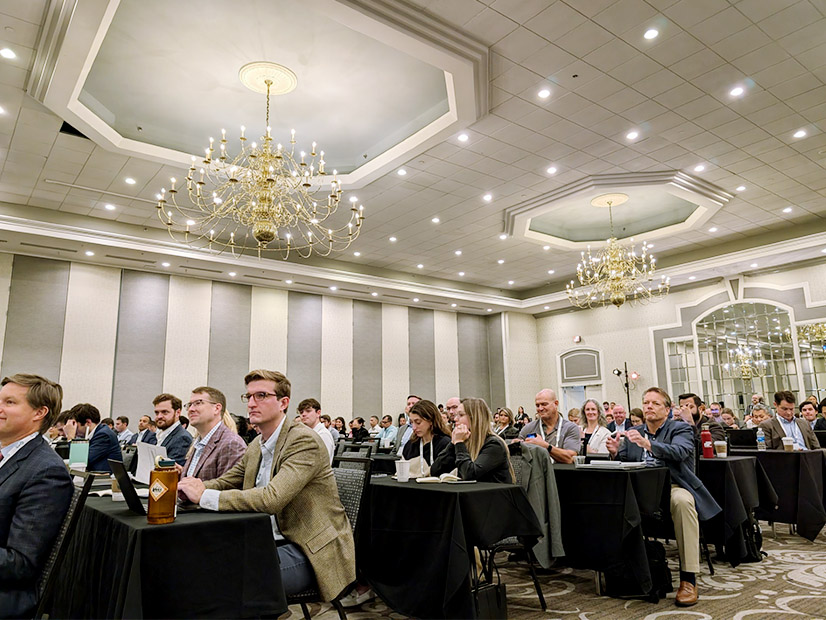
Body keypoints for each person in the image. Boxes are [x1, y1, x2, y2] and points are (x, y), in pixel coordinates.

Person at [178, 370, 355, 600]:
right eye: (249, 396)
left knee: (224, 579)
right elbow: (226, 481)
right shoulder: (256, 445)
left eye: (261, 395)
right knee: (198, 562)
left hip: (309, 550)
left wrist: (203, 496)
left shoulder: (303, 440)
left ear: (283, 403)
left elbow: (271, 499)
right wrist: (188, 489)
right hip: (268, 540)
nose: (251, 403)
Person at [607, 387, 721, 607]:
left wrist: (648, 444)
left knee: (683, 502)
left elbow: (679, 452)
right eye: (646, 402)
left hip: (671, 486)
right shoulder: (635, 431)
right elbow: (624, 459)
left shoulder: (680, 429)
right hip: (639, 490)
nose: (649, 406)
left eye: (655, 403)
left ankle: (688, 578)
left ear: (668, 409)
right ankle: (617, 568)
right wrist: (614, 452)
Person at [0, 374, 73, 618]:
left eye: (9, 402)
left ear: (39, 413)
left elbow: (20, 564)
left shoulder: (46, 471)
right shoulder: (7, 454)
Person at [432, 398, 514, 482]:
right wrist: (453, 443)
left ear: (474, 418)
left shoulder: (494, 444)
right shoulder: (465, 440)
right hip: (471, 493)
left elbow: (469, 475)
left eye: (461, 415)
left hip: (493, 494)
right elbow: (435, 470)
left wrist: (459, 443)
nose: (455, 419)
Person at [181, 386, 247, 481]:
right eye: (189, 405)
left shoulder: (231, 444)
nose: (191, 409)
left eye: (198, 403)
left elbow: (228, 491)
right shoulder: (199, 443)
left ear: (216, 408)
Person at [518, 389, 580, 464]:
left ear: (556, 404)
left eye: (544, 404)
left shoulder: (570, 428)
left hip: (561, 474)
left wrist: (545, 446)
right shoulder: (528, 428)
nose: (540, 408)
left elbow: (570, 458)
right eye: (537, 405)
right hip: (537, 474)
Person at [64, 403, 121, 472]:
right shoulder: (96, 433)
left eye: (76, 426)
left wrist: (70, 437)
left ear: (88, 422)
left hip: (104, 480)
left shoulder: (104, 435)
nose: (74, 430)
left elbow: (82, 461)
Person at [402, 400, 451, 468]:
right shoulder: (410, 445)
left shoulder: (445, 444)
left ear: (431, 420)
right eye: (411, 422)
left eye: (418, 422)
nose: (414, 427)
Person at [153, 393, 193, 466]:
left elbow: (170, 472)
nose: (159, 416)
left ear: (177, 413)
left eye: (164, 412)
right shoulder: (161, 434)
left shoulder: (183, 438)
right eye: (156, 412)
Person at [297, 398, 335, 464]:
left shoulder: (323, 435)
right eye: (301, 412)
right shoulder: (305, 433)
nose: (303, 414)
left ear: (318, 413)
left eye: (308, 411)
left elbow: (323, 463)